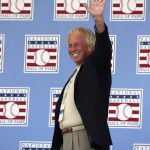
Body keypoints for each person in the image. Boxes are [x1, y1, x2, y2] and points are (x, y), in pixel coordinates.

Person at [51, 0, 112, 149]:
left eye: (77, 44)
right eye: (70, 45)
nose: (72, 49)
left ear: (90, 47)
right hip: (65, 140)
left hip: (85, 139)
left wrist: (98, 19)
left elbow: (104, 49)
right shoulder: (75, 75)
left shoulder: (96, 66)